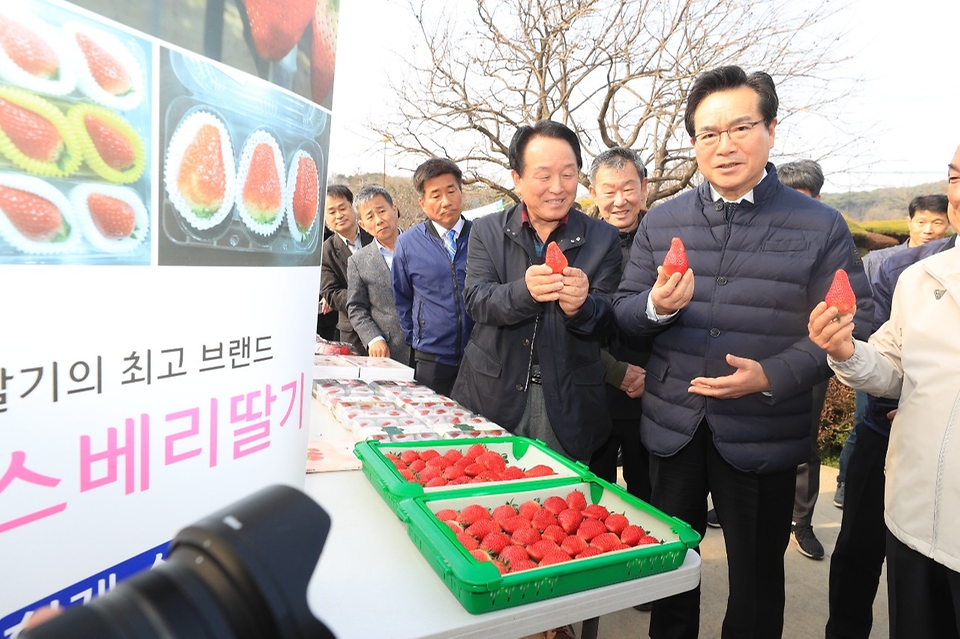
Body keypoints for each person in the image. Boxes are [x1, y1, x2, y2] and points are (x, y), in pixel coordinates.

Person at [612, 66, 874, 638]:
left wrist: (773, 374)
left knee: (756, 580)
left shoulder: (819, 225)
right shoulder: (664, 219)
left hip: (763, 429)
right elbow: (624, 313)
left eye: (740, 128)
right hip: (673, 425)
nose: (724, 145)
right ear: (693, 143)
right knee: (670, 570)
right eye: (708, 134)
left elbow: (858, 322)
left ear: (772, 129)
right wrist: (655, 307)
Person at [809, 143, 960, 639]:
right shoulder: (921, 278)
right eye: (956, 177)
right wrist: (846, 351)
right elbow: (893, 365)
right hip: (915, 514)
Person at [450, 119, 622, 464]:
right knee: (485, 486)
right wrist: (523, 293)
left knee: (559, 500)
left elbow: (610, 316)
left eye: (569, 174)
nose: (557, 188)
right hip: (493, 391)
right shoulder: (487, 230)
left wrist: (582, 308)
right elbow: (476, 300)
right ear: (518, 178)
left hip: (569, 398)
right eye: (543, 176)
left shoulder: (603, 238)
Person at [833, 192, 950, 508]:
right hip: (876, 361)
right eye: (921, 221)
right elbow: (876, 326)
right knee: (864, 424)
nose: (928, 229)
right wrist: (848, 349)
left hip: (929, 408)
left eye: (936, 222)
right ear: (909, 222)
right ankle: (846, 482)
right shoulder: (884, 263)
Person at [585, 147, 652, 500]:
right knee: (597, 495)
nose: (619, 201)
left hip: (654, 393)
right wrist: (614, 370)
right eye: (609, 191)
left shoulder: (664, 241)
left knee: (652, 495)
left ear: (644, 187)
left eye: (628, 189)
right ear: (593, 193)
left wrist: (649, 375)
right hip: (595, 390)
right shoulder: (579, 245)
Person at [777, 159, 830, 560]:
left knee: (803, 443)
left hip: (808, 359)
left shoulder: (828, 237)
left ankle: (802, 521)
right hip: (758, 358)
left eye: (804, 199)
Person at [392, 158, 475, 397]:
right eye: (436, 195)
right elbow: (402, 298)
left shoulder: (482, 237)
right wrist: (420, 337)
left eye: (451, 191)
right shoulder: (407, 244)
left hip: (480, 356)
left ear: (461, 192)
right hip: (432, 358)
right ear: (422, 202)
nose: (446, 201)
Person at [346, 185, 411, 365]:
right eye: (370, 216)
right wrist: (373, 338)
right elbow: (356, 308)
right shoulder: (358, 261)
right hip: (390, 351)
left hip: (432, 349)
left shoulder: (422, 245)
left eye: (382, 211)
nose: (379, 220)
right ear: (363, 225)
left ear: (394, 209)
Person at [320, 185, 373, 354]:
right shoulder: (325, 251)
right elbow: (331, 292)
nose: (339, 215)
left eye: (342, 208)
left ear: (352, 207)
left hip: (389, 325)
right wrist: (371, 296)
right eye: (332, 212)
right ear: (325, 219)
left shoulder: (375, 235)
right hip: (352, 331)